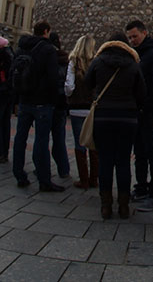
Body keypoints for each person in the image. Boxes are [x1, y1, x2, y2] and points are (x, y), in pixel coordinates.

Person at [85, 34, 146, 220]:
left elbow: (87, 84)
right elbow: (142, 93)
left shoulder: (98, 61)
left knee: (105, 161)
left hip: (103, 117)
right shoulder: (133, 64)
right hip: (127, 118)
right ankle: (124, 206)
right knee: (122, 161)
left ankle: (105, 206)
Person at [12, 21, 65, 191]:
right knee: (41, 141)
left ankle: (19, 174)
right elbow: (52, 77)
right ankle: (44, 180)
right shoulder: (48, 49)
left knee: (20, 138)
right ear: (46, 31)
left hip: (24, 100)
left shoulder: (21, 48)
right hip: (42, 103)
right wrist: (53, 100)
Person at [126, 20, 153, 211]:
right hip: (136, 112)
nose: (132, 40)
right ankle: (141, 187)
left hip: (148, 113)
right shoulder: (135, 55)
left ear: (144, 33)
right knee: (139, 153)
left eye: (135, 36)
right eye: (130, 37)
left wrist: (148, 107)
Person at [66, 35, 99, 189]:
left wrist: (69, 95)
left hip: (76, 108)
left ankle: (83, 180)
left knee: (80, 144)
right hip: (92, 108)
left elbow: (69, 86)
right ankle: (94, 179)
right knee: (93, 144)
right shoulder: (97, 62)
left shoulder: (73, 62)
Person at [49, 32, 71, 181]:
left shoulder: (44, 57)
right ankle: (64, 169)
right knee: (59, 137)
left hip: (46, 102)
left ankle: (41, 168)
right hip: (62, 102)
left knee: (42, 138)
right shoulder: (66, 59)